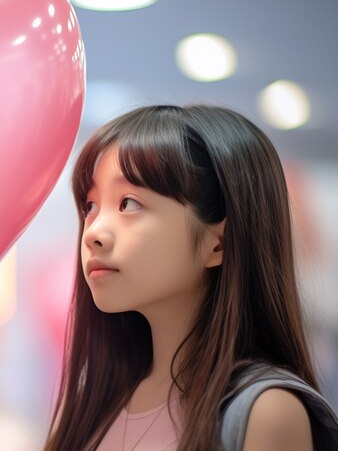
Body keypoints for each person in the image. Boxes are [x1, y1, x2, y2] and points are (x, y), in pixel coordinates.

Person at [42, 104, 330, 451]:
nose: (93, 233)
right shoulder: (92, 405)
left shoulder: (265, 414)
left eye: (129, 203)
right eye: (90, 206)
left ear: (219, 243)